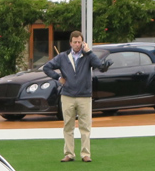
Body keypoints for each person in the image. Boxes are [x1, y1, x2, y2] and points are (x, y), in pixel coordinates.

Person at [42, 31, 110, 163]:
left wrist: (89, 52)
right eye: (75, 42)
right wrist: (58, 78)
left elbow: (100, 67)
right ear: (70, 43)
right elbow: (47, 68)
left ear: (83, 43)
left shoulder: (88, 56)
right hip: (67, 95)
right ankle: (69, 154)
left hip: (84, 96)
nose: (77, 44)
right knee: (68, 126)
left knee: (85, 126)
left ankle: (85, 154)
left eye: (79, 42)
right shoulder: (63, 57)